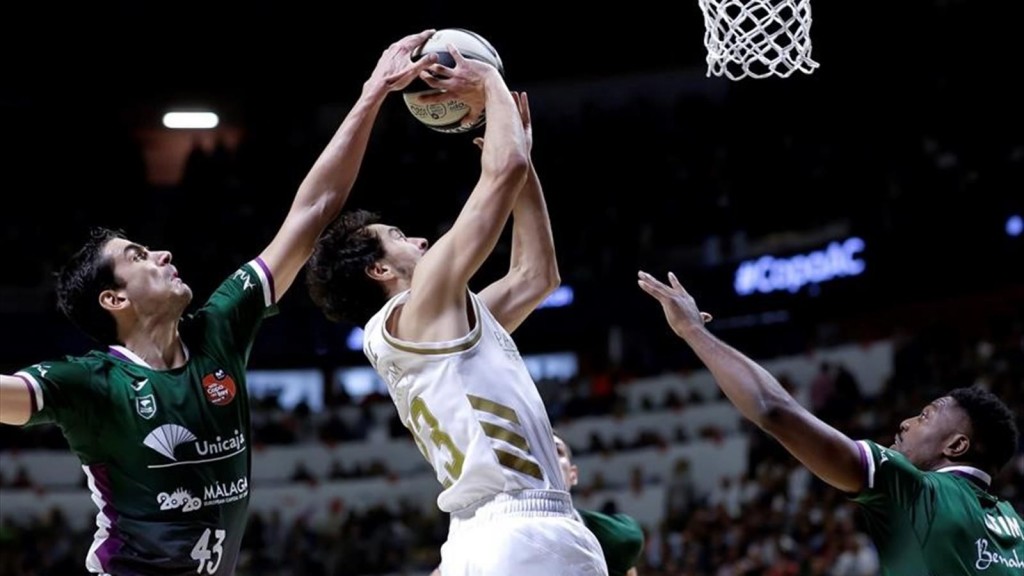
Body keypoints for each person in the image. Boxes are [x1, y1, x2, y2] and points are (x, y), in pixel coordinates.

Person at [0, 29, 441, 576]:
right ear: (113, 298)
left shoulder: (220, 328)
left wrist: (372, 92)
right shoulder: (90, 384)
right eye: (138, 256)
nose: (161, 253)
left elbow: (317, 207)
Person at [304, 50, 608, 575]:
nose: (418, 238)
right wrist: (489, 79)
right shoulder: (422, 306)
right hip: (524, 533)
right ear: (378, 271)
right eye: (397, 237)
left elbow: (536, 277)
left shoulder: (425, 329)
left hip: (473, 541)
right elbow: (501, 172)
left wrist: (525, 165)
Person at [636, 270, 1024, 575]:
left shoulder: (918, 489)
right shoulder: (1013, 523)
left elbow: (773, 409)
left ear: (955, 446)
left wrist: (693, 331)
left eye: (925, 416)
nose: (905, 423)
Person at [428, 432, 644, 576]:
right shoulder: (489, 532)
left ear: (573, 474)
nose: (547, 458)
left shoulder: (614, 536)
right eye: (538, 453)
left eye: (557, 451)